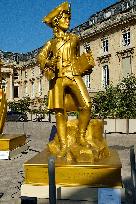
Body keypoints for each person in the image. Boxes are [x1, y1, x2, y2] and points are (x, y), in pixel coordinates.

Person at [38, 2, 95, 157]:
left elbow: (77, 57)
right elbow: (40, 57)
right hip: (57, 79)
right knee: (60, 112)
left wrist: (85, 64)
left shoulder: (75, 39)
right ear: (56, 21)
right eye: (64, 18)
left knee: (86, 104)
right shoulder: (51, 43)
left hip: (73, 75)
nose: (68, 21)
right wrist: (48, 62)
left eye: (69, 18)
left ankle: (81, 136)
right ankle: (63, 145)